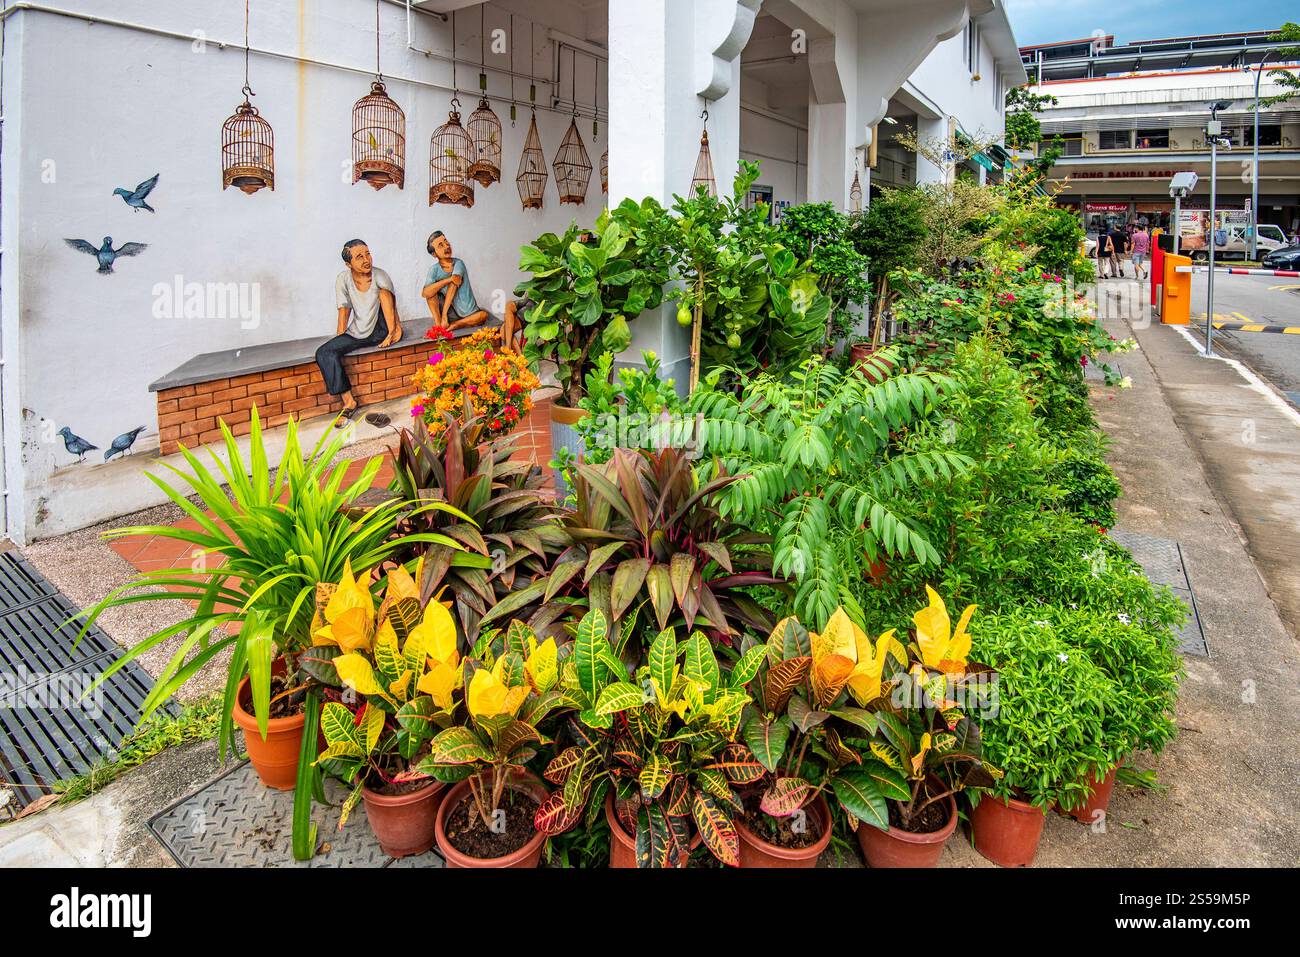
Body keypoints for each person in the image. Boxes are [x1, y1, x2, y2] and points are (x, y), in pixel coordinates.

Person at [315, 239, 402, 426]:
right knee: (324, 352)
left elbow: (390, 306)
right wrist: (340, 336)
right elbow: (344, 309)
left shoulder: (380, 276)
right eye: (359, 257)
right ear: (349, 264)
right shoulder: (343, 279)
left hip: (382, 328)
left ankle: (391, 333)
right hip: (358, 330)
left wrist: (392, 332)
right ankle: (349, 402)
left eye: (368, 254)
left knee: (383, 293)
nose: (366, 260)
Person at [422, 230, 490, 330]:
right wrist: (448, 279)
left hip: (468, 313)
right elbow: (425, 293)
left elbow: (454, 285)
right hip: (451, 312)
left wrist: (444, 315)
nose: (446, 246)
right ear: (434, 254)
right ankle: (438, 325)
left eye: (446, 242)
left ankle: (456, 325)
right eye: (441, 245)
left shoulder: (458, 263)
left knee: (483, 315)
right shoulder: (434, 270)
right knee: (431, 293)